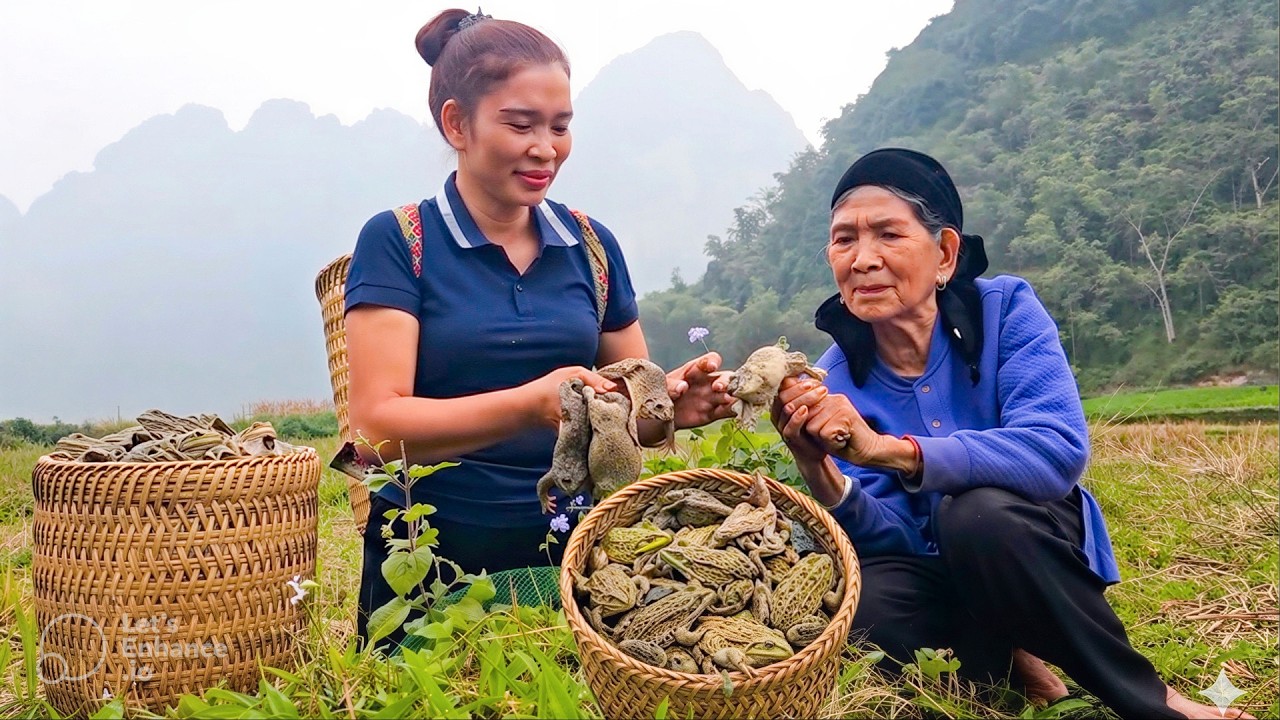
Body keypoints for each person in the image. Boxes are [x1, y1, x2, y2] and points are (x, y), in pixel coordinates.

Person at [771, 147, 1252, 719]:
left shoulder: (1007, 310)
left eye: (888, 235)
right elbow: (895, 541)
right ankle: (1011, 656)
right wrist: (819, 470)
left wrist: (890, 450)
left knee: (974, 514)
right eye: (844, 239)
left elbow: (1055, 449)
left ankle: (1155, 700)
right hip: (938, 569)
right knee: (864, 608)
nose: (863, 259)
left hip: (1023, 536)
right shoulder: (834, 379)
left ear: (945, 252)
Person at [343, 8, 733, 648]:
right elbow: (376, 431)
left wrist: (670, 407)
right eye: (520, 124)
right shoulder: (400, 241)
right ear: (456, 124)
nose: (545, 148)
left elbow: (626, 410)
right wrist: (529, 405)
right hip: (433, 552)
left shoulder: (590, 245)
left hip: (574, 548)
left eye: (560, 126)